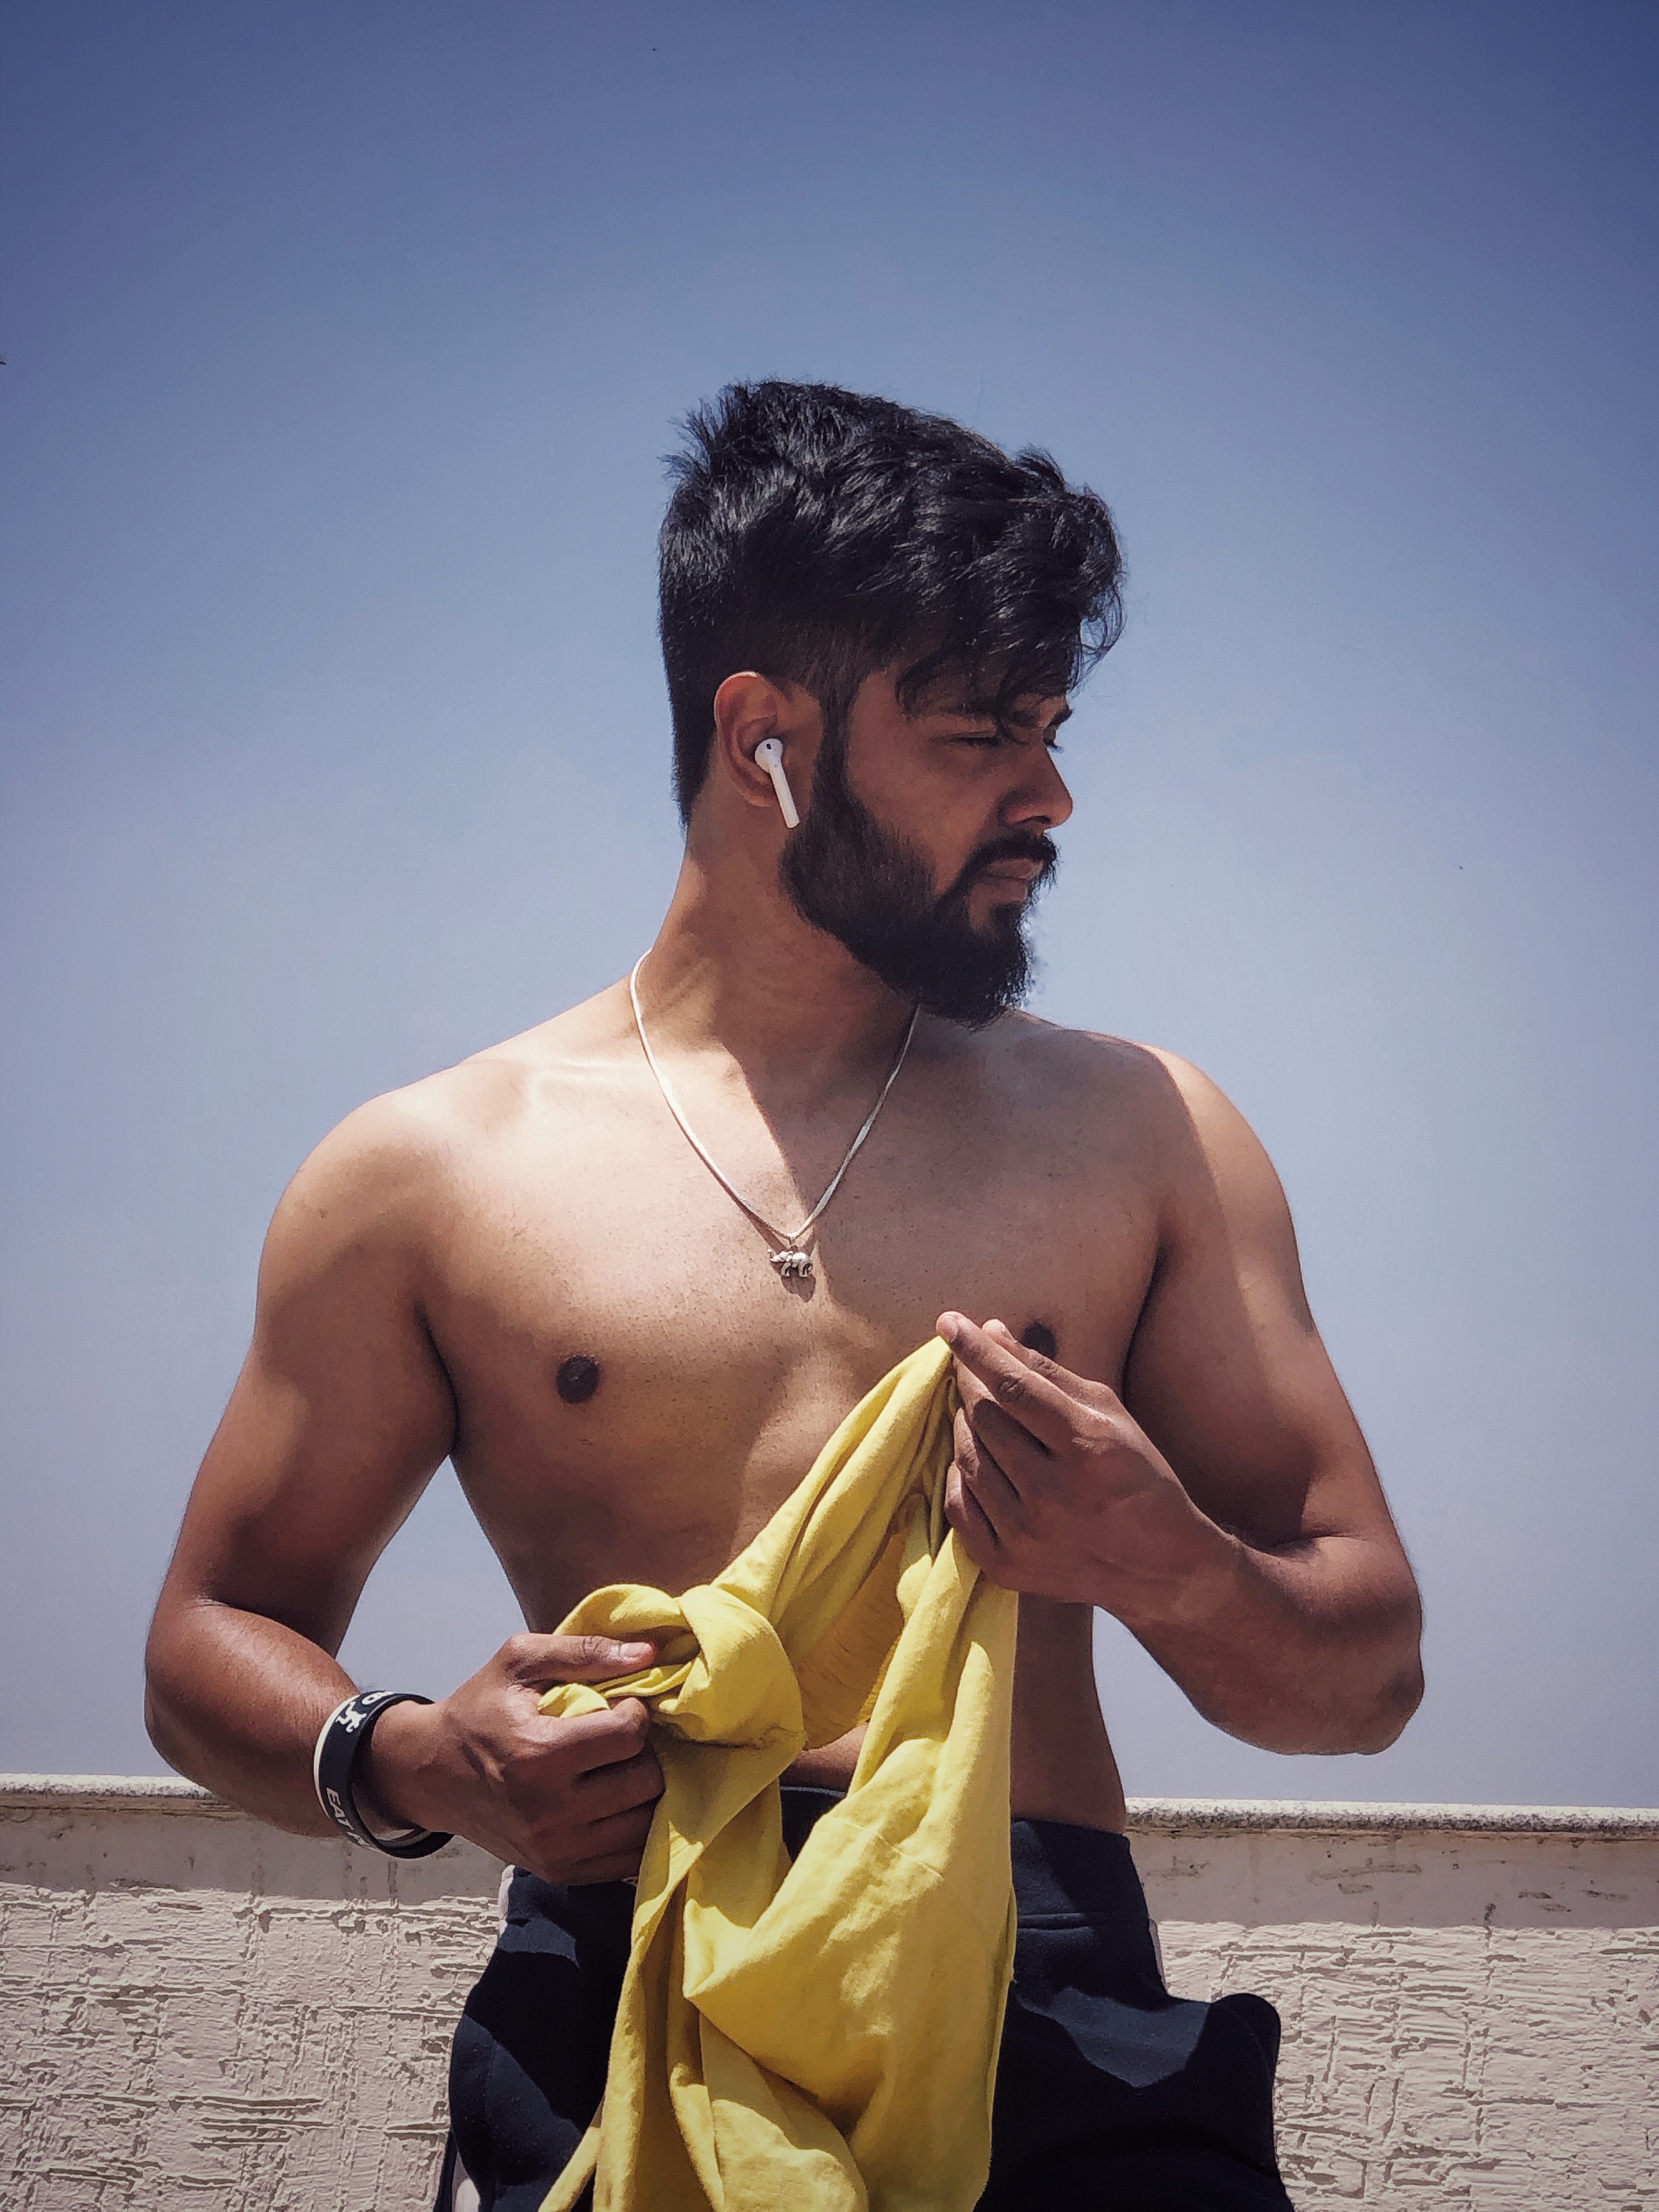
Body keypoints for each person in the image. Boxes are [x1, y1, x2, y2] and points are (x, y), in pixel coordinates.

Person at [145, 380, 1424, 2211]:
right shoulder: (431, 1171)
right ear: (765, 740)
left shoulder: (1142, 1133)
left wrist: (1170, 1566)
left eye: (1055, 729)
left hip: (1044, 1992)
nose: (1052, 798)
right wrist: (417, 1759)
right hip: (623, 1978)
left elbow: (1368, 1676)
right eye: (984, 734)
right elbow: (205, 1642)